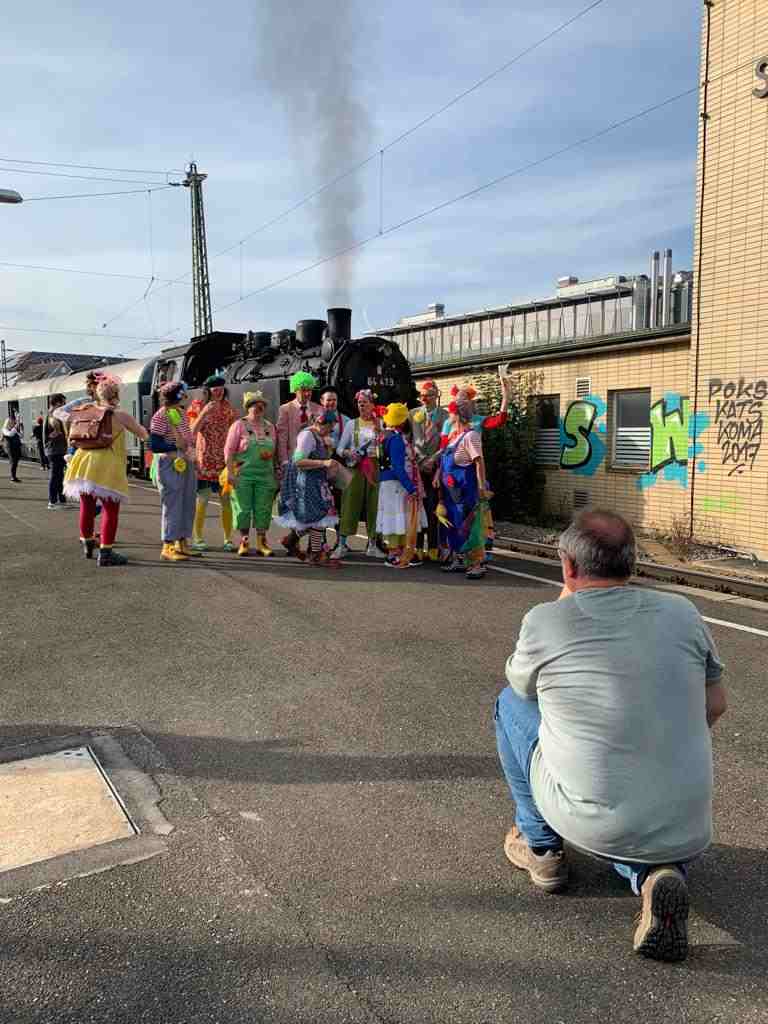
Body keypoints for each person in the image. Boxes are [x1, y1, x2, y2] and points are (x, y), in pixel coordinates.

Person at [495, 509, 727, 963]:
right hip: (688, 825)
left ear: (568, 566)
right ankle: (656, 876)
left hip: (596, 821)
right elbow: (715, 704)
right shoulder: (682, 612)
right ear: (632, 564)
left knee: (508, 705)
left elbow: (523, 688)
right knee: (639, 812)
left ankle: (541, 848)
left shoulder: (546, 621)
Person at [63, 375, 148, 566]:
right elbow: (143, 434)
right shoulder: (119, 415)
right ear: (116, 394)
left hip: (83, 462)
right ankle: (106, 552)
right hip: (107, 465)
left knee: (86, 506)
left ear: (98, 394)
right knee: (110, 510)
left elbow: (67, 428)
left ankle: (87, 544)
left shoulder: (85, 410)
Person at [276, 408, 342, 567]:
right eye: (330, 428)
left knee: (319, 516)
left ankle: (292, 540)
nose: (330, 431)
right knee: (318, 517)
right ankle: (315, 554)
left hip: (317, 481)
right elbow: (298, 461)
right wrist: (324, 462)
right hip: (306, 482)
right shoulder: (307, 436)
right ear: (322, 423)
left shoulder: (319, 437)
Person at [436, 388, 491, 579]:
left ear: (457, 415)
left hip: (465, 491)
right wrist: (438, 475)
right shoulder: (454, 437)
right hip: (451, 492)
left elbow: (479, 462)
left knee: (469, 526)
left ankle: (477, 564)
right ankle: (459, 559)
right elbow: (444, 461)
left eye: (451, 412)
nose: (449, 416)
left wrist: (482, 487)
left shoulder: (470, 436)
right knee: (453, 525)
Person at [150, 381, 199, 563]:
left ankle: (182, 542)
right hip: (170, 463)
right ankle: (168, 545)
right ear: (178, 395)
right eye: (184, 393)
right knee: (172, 504)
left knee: (187, 502)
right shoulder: (161, 416)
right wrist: (174, 446)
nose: (186, 395)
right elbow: (155, 444)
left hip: (185, 462)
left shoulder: (181, 413)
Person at [224, 390, 277, 557]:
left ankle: (262, 542)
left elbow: (274, 451)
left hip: (265, 475)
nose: (259, 407)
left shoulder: (270, 427)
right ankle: (244, 541)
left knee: (264, 508)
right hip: (243, 474)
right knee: (243, 508)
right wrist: (230, 473)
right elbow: (229, 451)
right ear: (248, 407)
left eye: (262, 405)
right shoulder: (239, 425)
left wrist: (274, 468)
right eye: (255, 404)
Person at [188, 374, 238, 551]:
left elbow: (235, 432)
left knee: (226, 500)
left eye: (221, 389)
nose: (218, 392)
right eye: (215, 389)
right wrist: (204, 413)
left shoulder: (228, 408)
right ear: (208, 390)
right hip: (205, 460)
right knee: (203, 499)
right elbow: (192, 432)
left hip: (223, 461)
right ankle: (198, 538)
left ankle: (228, 539)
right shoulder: (197, 405)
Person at [334, 389, 385, 559]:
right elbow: (340, 448)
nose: (361, 405)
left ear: (372, 405)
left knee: (375, 505)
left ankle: (372, 545)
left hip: (374, 468)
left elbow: (385, 448)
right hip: (355, 469)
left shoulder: (380, 423)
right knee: (349, 504)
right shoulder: (351, 424)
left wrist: (380, 439)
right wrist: (348, 453)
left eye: (365, 402)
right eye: (359, 402)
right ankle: (341, 545)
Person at [276, 371, 322, 556]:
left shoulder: (318, 409)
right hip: (293, 463)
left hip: (312, 463)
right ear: (295, 389)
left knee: (313, 502)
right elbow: (282, 437)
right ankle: (293, 541)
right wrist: (284, 461)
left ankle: (312, 545)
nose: (307, 393)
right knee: (295, 502)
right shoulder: (285, 409)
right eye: (303, 389)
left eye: (309, 390)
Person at [376, 403, 425, 568]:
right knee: (398, 516)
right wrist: (411, 487)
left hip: (386, 482)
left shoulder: (383, 435)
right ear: (402, 421)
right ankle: (394, 553)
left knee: (395, 516)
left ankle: (399, 550)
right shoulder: (396, 439)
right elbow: (398, 467)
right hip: (396, 483)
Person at [410, 381, 448, 561]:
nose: (425, 398)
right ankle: (418, 547)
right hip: (418, 466)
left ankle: (433, 547)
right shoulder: (412, 414)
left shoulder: (445, 416)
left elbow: (447, 442)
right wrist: (420, 459)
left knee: (433, 507)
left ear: (436, 396)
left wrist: (433, 459)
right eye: (422, 395)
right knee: (418, 507)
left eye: (429, 395)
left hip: (435, 467)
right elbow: (408, 439)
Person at [44, 395, 68, 509]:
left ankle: (61, 500)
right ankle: (52, 502)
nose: (64, 405)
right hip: (55, 450)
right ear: (58, 403)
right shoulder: (53, 414)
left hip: (57, 450)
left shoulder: (52, 414)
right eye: (63, 403)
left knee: (59, 476)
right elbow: (54, 427)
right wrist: (58, 432)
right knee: (55, 476)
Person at [2, 411, 23, 482]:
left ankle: (14, 476)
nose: (12, 423)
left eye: (13, 422)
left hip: (16, 447)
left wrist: (21, 428)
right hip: (9, 447)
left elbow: (21, 435)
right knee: (13, 461)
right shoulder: (4, 429)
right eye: (11, 422)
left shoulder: (14, 429)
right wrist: (16, 427)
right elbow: (10, 434)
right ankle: (13, 477)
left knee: (15, 461)